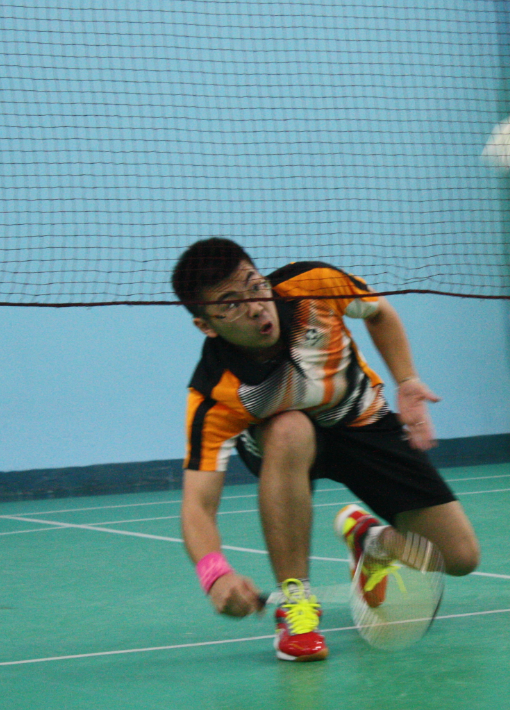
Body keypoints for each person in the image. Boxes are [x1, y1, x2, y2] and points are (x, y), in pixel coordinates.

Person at [171, 238, 480, 662]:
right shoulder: (214, 391)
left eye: (255, 285)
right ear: (206, 325)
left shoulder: (312, 286)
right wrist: (214, 575)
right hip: (282, 442)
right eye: (231, 303)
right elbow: (197, 505)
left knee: (460, 557)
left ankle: (371, 540)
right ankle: (296, 604)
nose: (256, 307)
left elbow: (379, 313)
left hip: (360, 420)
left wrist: (406, 380)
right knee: (290, 428)